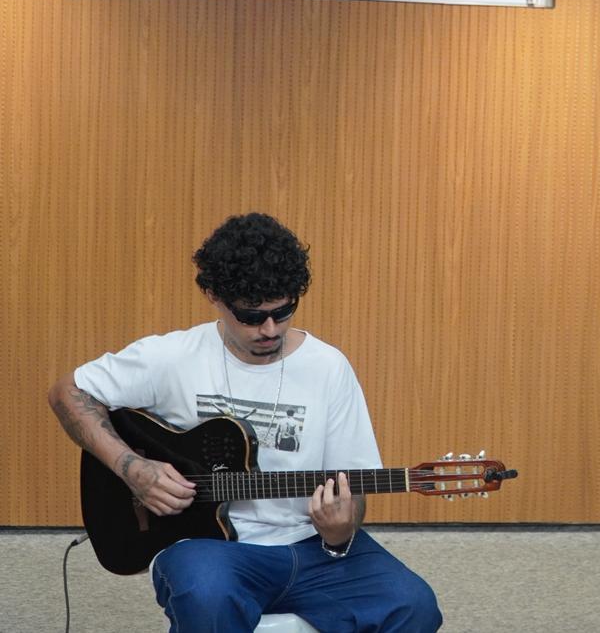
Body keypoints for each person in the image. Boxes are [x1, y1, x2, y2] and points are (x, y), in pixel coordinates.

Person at [48, 212, 443, 632]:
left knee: (413, 605)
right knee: (206, 595)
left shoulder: (329, 368)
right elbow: (67, 393)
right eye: (251, 316)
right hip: (206, 546)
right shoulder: (173, 356)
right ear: (214, 296)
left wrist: (341, 530)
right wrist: (132, 468)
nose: (269, 329)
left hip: (311, 546)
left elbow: (353, 483)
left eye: (283, 311)